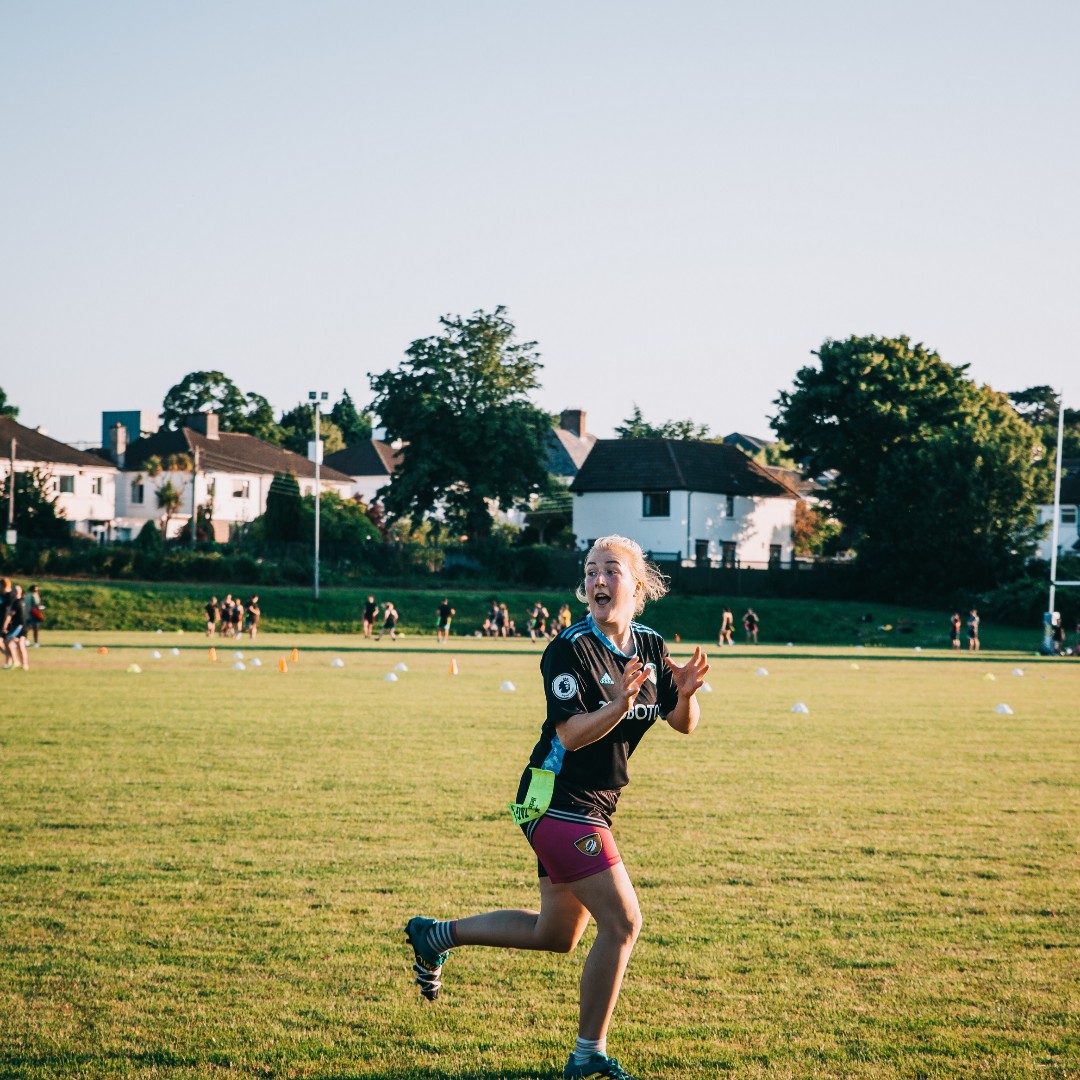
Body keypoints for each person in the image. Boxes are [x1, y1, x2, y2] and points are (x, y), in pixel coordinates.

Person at [403, 535, 709, 1080]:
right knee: (623, 923)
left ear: (637, 586)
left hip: (593, 805)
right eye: (591, 570)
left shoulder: (651, 645)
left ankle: (436, 934)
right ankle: (588, 1053)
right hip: (554, 800)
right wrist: (617, 705)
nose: (597, 580)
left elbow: (684, 725)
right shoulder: (568, 648)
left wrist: (683, 696)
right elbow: (568, 735)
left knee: (558, 935)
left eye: (611, 571)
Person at [3, 583, 30, 671]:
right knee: (19, 644)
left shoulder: (16, 602)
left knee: (8, 641)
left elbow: (10, 615)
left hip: (19, 626)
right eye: (14, 590)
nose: (15, 591)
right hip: (22, 626)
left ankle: (16, 661)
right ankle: (24, 664)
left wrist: (5, 625)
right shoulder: (22, 601)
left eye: (16, 590)